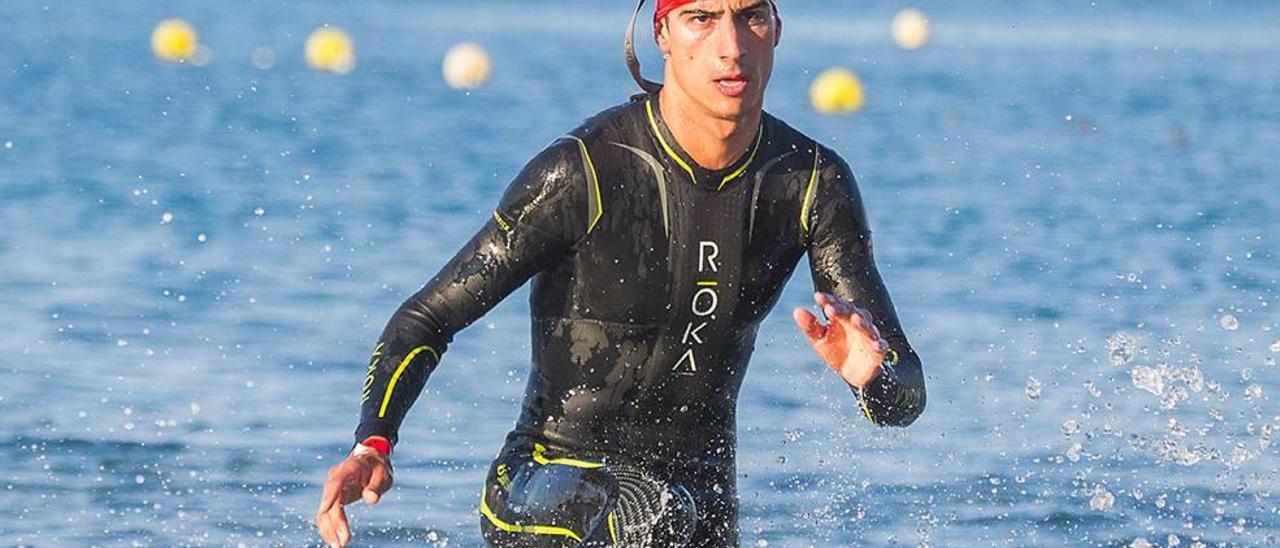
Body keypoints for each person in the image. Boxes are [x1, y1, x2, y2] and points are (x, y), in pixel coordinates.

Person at [315, 0, 926, 545]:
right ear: (662, 34)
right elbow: (427, 318)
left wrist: (871, 376)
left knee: (677, 515)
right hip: (542, 488)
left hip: (702, 504)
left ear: (777, 30)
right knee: (655, 516)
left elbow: (905, 400)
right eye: (702, 18)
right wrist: (373, 441)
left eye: (751, 16)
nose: (731, 45)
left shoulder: (812, 183)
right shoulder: (583, 172)